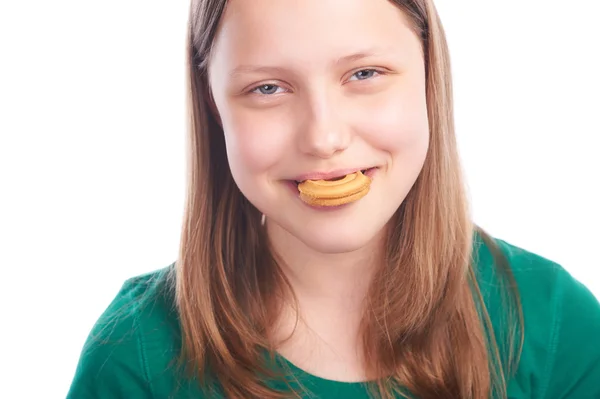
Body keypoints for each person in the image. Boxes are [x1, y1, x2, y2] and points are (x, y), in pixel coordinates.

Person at [66, 0, 600, 398]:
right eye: (268, 88)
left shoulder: (555, 325)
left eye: (364, 74)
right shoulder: (135, 354)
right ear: (213, 108)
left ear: (429, 76)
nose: (324, 137)